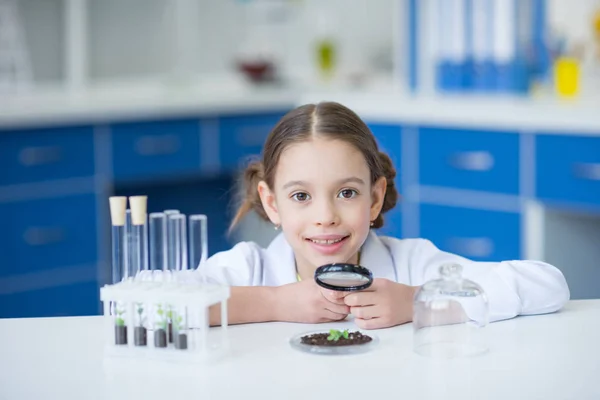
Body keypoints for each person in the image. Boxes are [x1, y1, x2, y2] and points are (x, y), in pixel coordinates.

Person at [198, 101, 570, 329]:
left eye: (347, 193)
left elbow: (548, 285)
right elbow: (146, 305)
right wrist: (275, 302)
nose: (325, 216)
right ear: (272, 203)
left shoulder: (412, 265)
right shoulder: (249, 269)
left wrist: (418, 301)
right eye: (301, 195)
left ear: (374, 198)